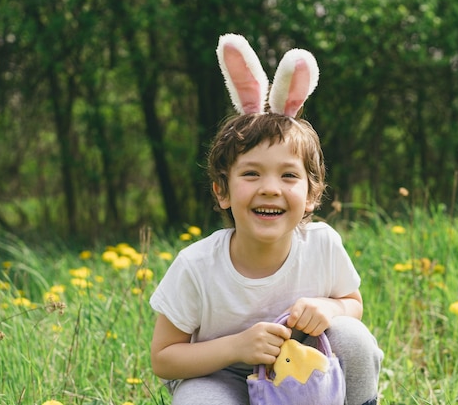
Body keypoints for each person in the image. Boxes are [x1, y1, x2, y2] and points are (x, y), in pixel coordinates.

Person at [149, 33, 383, 405]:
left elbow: (352, 302)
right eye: (252, 174)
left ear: (311, 195)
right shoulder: (196, 267)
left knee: (353, 337)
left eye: (288, 176)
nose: (271, 188)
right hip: (223, 377)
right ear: (221, 191)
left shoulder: (322, 244)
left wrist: (331, 308)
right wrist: (237, 347)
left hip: (308, 368)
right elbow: (164, 357)